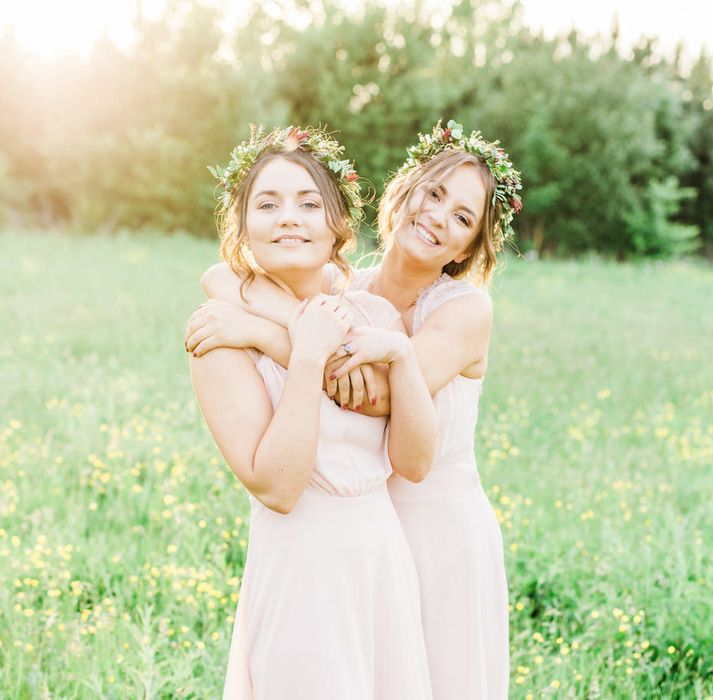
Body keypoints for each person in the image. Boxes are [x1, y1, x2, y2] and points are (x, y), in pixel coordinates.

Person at [187, 120, 522, 699]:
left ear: (472, 247)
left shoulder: (464, 311)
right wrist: (295, 325)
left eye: (464, 218)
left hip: (438, 526)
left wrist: (268, 336)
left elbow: (377, 396)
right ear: (405, 190)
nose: (440, 217)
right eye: (435, 194)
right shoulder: (352, 292)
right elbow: (224, 273)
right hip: (363, 527)